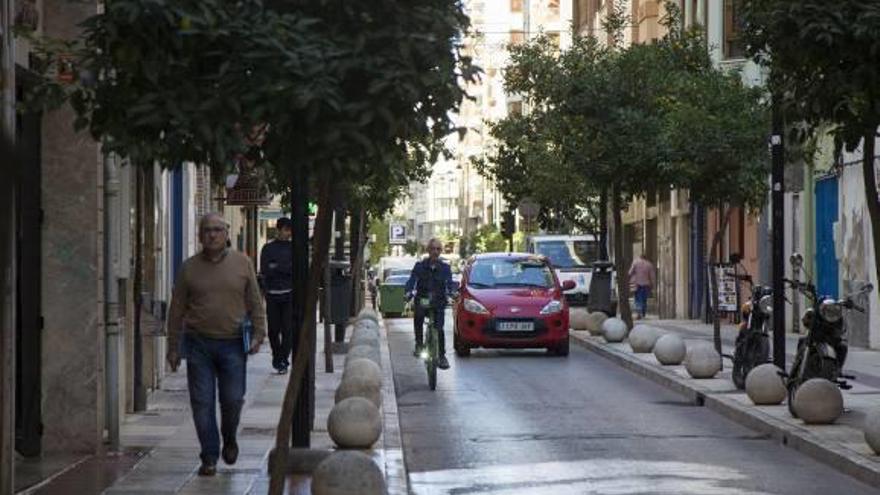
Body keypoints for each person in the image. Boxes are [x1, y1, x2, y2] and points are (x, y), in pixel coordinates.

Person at [166, 213, 267, 476]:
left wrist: (259, 333)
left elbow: (255, 301)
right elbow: (176, 309)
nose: (212, 234)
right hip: (198, 343)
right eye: (207, 230)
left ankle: (230, 437)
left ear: (226, 233)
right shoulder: (188, 268)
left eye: (217, 230)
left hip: (233, 343)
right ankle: (209, 456)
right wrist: (173, 346)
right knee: (202, 402)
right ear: (200, 236)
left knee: (232, 399)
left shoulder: (242, 263)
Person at [404, 238, 456, 370]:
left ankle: (442, 356)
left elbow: (449, 284)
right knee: (419, 316)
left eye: (438, 249)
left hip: (438, 300)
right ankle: (419, 344)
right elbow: (412, 281)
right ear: (428, 250)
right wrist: (408, 292)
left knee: (439, 328)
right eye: (433, 249)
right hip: (424, 299)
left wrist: (452, 293)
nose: (435, 252)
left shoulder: (445, 268)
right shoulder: (420, 266)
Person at [260, 217, 294, 374]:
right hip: (272, 295)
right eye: (286, 230)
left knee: (288, 330)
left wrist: (277, 267)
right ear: (278, 230)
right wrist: (283, 269)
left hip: (289, 295)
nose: (288, 233)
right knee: (273, 330)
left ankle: (283, 360)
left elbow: (292, 269)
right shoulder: (268, 249)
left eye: (289, 230)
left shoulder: (293, 248)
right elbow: (266, 270)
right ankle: (277, 356)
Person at [628, 253, 655, 320]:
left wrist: (629, 278)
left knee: (637, 298)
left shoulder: (635, 262)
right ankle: (643, 313)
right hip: (646, 284)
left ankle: (638, 313)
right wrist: (653, 284)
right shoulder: (649, 264)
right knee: (644, 299)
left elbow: (630, 272)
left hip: (637, 283)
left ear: (640, 257)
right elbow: (652, 276)